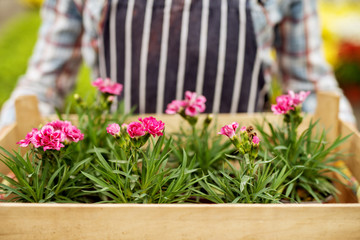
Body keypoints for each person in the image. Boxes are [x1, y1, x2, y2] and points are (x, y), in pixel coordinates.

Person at [0, 0, 356, 130]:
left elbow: (310, 87)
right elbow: (43, 86)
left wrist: (348, 145)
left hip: (250, 178)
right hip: (122, 179)